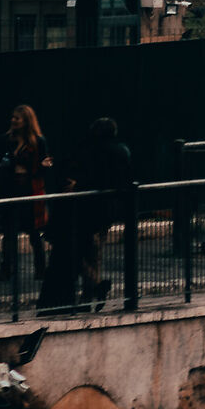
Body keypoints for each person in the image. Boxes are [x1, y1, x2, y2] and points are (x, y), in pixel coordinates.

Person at [72, 115, 132, 306]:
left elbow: (88, 177)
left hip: (89, 208)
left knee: (78, 252)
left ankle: (95, 287)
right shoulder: (121, 151)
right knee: (96, 253)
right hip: (109, 210)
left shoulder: (93, 151)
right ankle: (87, 297)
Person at [0, 103, 54, 281]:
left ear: (26, 121)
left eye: (17, 118)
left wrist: (42, 166)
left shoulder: (38, 142)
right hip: (11, 189)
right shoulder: (6, 140)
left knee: (34, 232)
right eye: (13, 117)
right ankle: (7, 269)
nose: (13, 120)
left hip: (30, 190)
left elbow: (44, 166)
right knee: (9, 233)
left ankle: (40, 269)